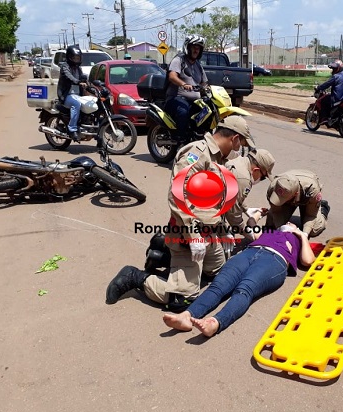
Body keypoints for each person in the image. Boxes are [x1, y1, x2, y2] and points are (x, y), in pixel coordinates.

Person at [105, 115, 258, 311]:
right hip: (187, 232)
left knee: (217, 272)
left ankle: (163, 253)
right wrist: (194, 237)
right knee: (182, 300)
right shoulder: (197, 153)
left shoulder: (216, 157)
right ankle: (135, 277)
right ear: (235, 138)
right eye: (240, 145)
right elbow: (178, 196)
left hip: (209, 232)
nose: (237, 150)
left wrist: (223, 229)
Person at [162, 220, 316, 337]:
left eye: (293, 224)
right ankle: (187, 316)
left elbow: (308, 260)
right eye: (287, 222)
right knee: (218, 285)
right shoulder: (268, 232)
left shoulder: (297, 239)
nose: (289, 223)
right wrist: (255, 215)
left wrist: (302, 236)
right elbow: (250, 227)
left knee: (244, 290)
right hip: (248, 253)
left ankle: (215, 323)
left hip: (275, 260)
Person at [223, 148, 276, 245]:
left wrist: (246, 209)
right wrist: (246, 231)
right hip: (204, 212)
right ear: (256, 170)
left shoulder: (238, 160)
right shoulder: (243, 178)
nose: (261, 179)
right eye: (263, 177)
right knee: (219, 255)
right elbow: (233, 213)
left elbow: (231, 194)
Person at [164, 35, 209, 143]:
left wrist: (208, 89)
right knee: (183, 111)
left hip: (194, 101)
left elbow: (204, 83)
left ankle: (199, 135)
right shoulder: (179, 60)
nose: (196, 50)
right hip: (176, 98)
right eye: (194, 47)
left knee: (208, 111)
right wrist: (183, 84)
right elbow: (172, 76)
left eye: (198, 48)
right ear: (188, 47)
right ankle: (180, 139)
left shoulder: (198, 65)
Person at [265, 170, 330, 238]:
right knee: (271, 227)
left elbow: (311, 216)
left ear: (295, 194)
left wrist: (304, 234)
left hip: (307, 199)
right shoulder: (273, 188)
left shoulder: (312, 191)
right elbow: (276, 212)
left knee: (314, 229)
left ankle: (323, 208)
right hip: (290, 197)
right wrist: (280, 229)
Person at [57, 45, 87, 141]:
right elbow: (69, 77)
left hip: (77, 95)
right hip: (66, 95)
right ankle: (72, 128)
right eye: (75, 57)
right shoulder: (65, 67)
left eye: (78, 57)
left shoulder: (78, 68)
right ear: (69, 57)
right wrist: (78, 82)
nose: (77, 59)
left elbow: (83, 77)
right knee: (76, 103)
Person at [315, 59, 343, 125]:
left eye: (335, 68)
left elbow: (326, 84)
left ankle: (324, 118)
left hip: (339, 97)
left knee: (323, 100)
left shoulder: (336, 76)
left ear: (339, 68)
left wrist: (318, 87)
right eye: (333, 68)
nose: (333, 70)